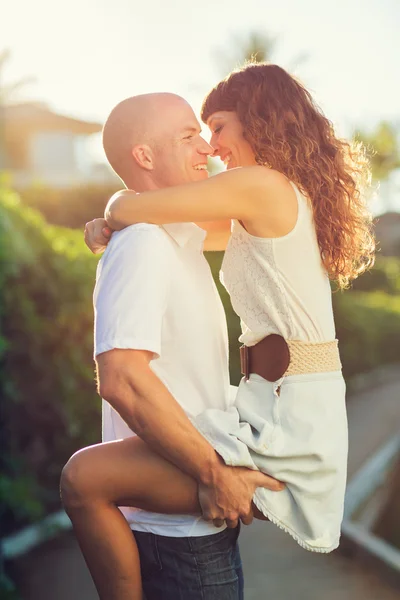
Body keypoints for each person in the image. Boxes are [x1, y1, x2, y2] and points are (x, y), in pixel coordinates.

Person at [66, 62, 375, 598]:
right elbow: (174, 224)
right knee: (94, 478)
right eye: (199, 133)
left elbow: (134, 204)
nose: (212, 146)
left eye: (219, 127)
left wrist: (116, 212)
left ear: (259, 120)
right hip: (283, 401)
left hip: (286, 408)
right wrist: (117, 226)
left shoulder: (263, 186)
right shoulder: (268, 198)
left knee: (83, 480)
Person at [61, 89, 283, 600]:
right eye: (189, 136)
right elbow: (121, 378)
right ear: (144, 156)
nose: (206, 147)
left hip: (200, 525)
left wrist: (113, 214)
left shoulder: (172, 237)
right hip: (179, 544)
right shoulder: (143, 246)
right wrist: (214, 472)